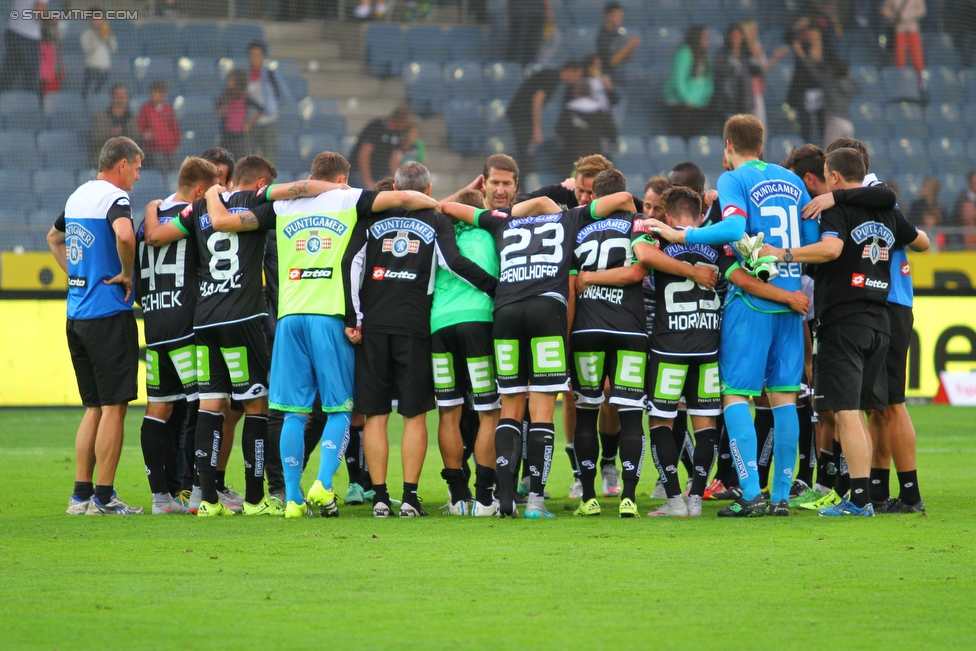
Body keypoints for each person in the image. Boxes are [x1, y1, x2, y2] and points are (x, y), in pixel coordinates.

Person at [143, 156, 341, 517]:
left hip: (203, 322)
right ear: (261, 181)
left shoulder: (199, 207)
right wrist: (337, 188)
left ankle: (207, 500)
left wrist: (151, 206)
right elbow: (303, 187)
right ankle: (254, 499)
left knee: (209, 405)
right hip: (244, 318)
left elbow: (154, 236)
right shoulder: (259, 203)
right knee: (256, 405)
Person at [646, 114, 819, 517]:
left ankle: (751, 494)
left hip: (752, 305)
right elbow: (809, 241)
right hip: (792, 301)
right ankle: (779, 498)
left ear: (728, 146)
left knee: (736, 395)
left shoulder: (732, 180)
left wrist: (680, 235)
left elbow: (733, 227)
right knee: (783, 399)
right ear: (761, 145)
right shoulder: (792, 181)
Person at [440, 175, 637, 518]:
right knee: (542, 411)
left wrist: (506, 208)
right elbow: (622, 197)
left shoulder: (500, 220)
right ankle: (535, 502)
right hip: (547, 309)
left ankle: (503, 499)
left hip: (505, 311)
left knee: (510, 408)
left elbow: (448, 207)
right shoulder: (570, 217)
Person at [760, 147, 929, 516]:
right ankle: (876, 493)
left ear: (833, 177)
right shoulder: (886, 211)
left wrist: (782, 253)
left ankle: (860, 499)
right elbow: (924, 242)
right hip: (881, 319)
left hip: (844, 320)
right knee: (873, 410)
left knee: (847, 413)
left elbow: (832, 248)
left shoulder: (835, 208)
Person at [345, 162, 496, 518]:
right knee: (414, 416)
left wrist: (354, 318)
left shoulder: (370, 216)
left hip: (374, 326)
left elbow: (351, 262)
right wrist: (494, 287)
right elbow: (453, 262)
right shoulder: (434, 219)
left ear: (396, 188)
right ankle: (410, 498)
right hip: (415, 327)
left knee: (376, 415)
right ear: (427, 192)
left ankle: (380, 497)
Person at [569, 173, 721, 518]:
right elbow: (640, 271)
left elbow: (632, 263)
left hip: (609, 333)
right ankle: (642, 498)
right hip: (650, 334)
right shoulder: (655, 228)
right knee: (638, 415)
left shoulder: (584, 229)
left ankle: (592, 496)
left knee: (588, 414)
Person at [47, 136, 143, 515]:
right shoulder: (114, 199)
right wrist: (126, 273)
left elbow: (53, 238)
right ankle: (104, 497)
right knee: (114, 406)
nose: (137, 174)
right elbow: (124, 234)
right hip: (107, 316)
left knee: (93, 408)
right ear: (121, 165)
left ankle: (80, 496)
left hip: (76, 317)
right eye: (136, 166)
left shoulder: (77, 196)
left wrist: (76, 275)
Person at [135, 157, 221, 515]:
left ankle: (160, 500)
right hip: (188, 326)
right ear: (200, 190)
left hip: (155, 326)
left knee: (158, 409)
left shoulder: (147, 222)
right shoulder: (196, 218)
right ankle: (202, 493)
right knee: (207, 403)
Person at [429, 188, 503, 516]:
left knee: (449, 411)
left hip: (440, 325)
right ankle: (485, 498)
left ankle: (458, 497)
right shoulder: (492, 234)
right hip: (479, 321)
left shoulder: (435, 234)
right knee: (489, 410)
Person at [507, 60, 585, 173]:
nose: (577, 79)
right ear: (570, 70)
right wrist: (537, 129)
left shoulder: (553, 76)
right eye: (577, 75)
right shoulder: (553, 77)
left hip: (521, 114)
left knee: (526, 150)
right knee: (526, 150)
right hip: (521, 115)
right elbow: (538, 99)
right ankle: (522, 182)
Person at [664, 25, 715, 138]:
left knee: (697, 137)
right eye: (704, 37)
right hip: (681, 103)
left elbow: (709, 79)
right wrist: (687, 99)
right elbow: (678, 79)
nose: (707, 40)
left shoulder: (705, 55)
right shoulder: (684, 53)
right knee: (683, 136)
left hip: (699, 103)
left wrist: (705, 97)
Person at [349, 106, 411, 191]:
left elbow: (394, 159)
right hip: (360, 172)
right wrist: (368, 181)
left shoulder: (399, 133)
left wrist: (397, 182)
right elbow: (364, 155)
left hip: (381, 174)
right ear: (399, 122)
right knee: (369, 192)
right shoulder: (376, 127)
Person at [247, 42, 286, 162]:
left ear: (264, 56)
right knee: (249, 160)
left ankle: (269, 181)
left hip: (268, 122)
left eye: (257, 55)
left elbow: (283, 95)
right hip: (250, 124)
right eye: (251, 55)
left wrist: (273, 110)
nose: (254, 59)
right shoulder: (244, 76)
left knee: (269, 160)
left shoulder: (270, 75)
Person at [1, 0, 49, 92]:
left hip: (13, 32)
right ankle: (32, 105)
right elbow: (39, 10)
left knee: (7, 77)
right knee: (31, 82)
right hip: (29, 37)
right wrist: (52, 20)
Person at [137, 81, 181, 174]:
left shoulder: (168, 109)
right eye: (153, 93)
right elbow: (141, 127)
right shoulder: (146, 109)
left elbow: (174, 127)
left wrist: (176, 142)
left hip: (170, 148)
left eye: (157, 93)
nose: (154, 95)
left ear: (163, 95)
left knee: (174, 172)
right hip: (154, 149)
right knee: (162, 170)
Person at [90, 85, 138, 168]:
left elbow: (135, 139)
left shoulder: (131, 117)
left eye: (124, 96)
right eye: (118, 95)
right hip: (106, 157)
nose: (121, 99)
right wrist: (111, 134)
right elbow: (96, 140)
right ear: (111, 97)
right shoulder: (102, 116)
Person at [714, 23, 754, 120]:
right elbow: (720, 70)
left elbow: (756, 71)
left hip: (744, 101)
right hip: (727, 101)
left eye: (738, 35)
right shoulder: (722, 54)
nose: (736, 37)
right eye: (733, 35)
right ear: (729, 36)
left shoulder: (746, 55)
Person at [217, 69, 259, 159]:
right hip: (227, 133)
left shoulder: (245, 97)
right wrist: (222, 111)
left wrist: (249, 125)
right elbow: (218, 107)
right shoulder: (226, 95)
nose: (229, 82)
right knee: (223, 158)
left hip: (239, 135)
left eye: (232, 80)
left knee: (238, 159)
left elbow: (260, 109)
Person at [596, 1, 640, 87]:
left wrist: (632, 48)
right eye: (617, 15)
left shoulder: (617, 35)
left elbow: (627, 60)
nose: (620, 18)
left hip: (618, 79)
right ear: (608, 16)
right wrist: (629, 46)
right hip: (607, 82)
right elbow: (611, 61)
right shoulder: (603, 36)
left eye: (621, 16)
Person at [881, 0, 926, 76]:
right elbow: (886, 10)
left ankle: (921, 83)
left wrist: (907, 16)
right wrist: (893, 16)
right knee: (899, 60)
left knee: (918, 60)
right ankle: (900, 81)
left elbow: (922, 10)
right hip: (899, 31)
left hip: (913, 30)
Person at [80, 10, 116, 98]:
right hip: (91, 70)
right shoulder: (86, 34)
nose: (99, 21)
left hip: (106, 70)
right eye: (96, 19)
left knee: (101, 95)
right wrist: (98, 37)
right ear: (91, 20)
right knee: (88, 95)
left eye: (100, 19)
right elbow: (87, 50)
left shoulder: (107, 32)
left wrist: (109, 38)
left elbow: (114, 49)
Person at [39, 19, 64, 96]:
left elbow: (59, 59)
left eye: (56, 28)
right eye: (53, 28)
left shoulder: (56, 43)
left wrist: (61, 71)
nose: (56, 32)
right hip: (45, 79)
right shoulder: (41, 45)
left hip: (55, 78)